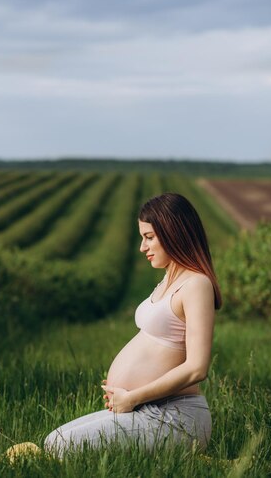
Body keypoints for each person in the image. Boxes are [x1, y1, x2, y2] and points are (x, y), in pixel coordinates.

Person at [43, 192, 221, 458]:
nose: (142, 247)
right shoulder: (165, 282)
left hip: (177, 418)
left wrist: (133, 396)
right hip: (147, 409)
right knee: (52, 441)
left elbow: (197, 368)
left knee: (61, 447)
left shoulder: (196, 285)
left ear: (173, 233)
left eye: (149, 237)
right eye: (142, 237)